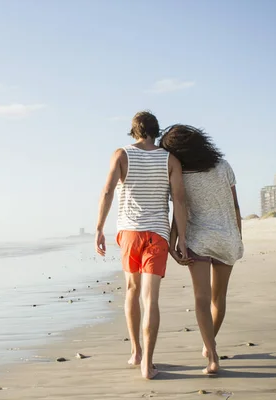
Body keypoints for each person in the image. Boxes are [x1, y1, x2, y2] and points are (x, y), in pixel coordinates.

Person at [95, 111, 188, 379]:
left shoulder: (122, 154)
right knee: (151, 299)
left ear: (134, 131)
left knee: (132, 291)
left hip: (130, 233)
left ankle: (136, 352)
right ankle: (148, 363)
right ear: (156, 131)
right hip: (157, 234)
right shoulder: (170, 159)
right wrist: (182, 238)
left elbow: (107, 191)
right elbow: (179, 201)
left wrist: (99, 228)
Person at [160, 124, 243, 375]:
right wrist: (238, 237)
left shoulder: (179, 173)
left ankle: (213, 356)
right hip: (227, 238)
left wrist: (174, 241)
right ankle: (210, 344)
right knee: (219, 299)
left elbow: (180, 210)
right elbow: (236, 206)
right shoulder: (223, 166)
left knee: (201, 299)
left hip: (198, 239)